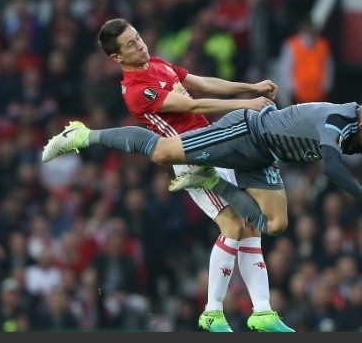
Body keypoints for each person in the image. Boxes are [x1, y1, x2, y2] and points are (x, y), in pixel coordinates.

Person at [91, 18, 293, 332]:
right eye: (130, 44)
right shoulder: (136, 90)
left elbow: (200, 84)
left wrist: (249, 86)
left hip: (214, 144)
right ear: (116, 58)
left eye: (138, 37)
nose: (140, 45)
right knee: (233, 224)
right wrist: (246, 104)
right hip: (192, 158)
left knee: (251, 223)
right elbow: (191, 104)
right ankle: (212, 312)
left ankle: (263, 312)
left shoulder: (156, 64)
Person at [42, 92, 362, 259]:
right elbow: (332, 168)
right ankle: (83, 134)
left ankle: (210, 180)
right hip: (245, 133)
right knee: (163, 152)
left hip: (265, 156)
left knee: (277, 224)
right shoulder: (337, 121)